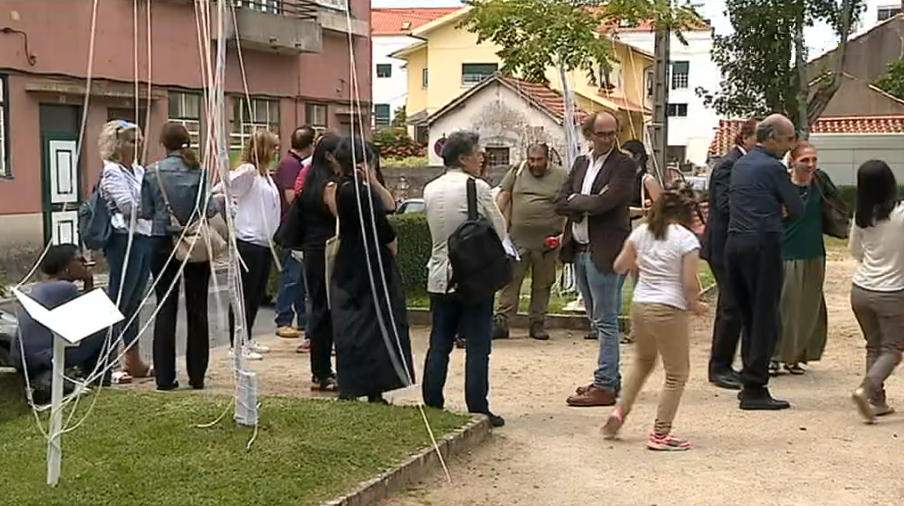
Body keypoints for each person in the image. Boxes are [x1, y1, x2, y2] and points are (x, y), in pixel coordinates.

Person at [601, 186, 707, 450]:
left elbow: (619, 266)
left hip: (641, 304)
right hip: (668, 307)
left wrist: (641, 264)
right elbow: (689, 282)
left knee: (643, 362)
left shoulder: (642, 232)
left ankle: (620, 411)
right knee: (677, 373)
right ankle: (660, 433)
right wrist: (695, 304)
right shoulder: (686, 239)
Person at [422, 131, 507, 428]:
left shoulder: (430, 188)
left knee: (439, 341)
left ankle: (433, 401)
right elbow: (500, 229)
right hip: (472, 276)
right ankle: (477, 406)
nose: (481, 157)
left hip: (439, 273)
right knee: (478, 345)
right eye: (477, 153)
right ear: (462, 157)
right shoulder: (477, 187)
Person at [556, 111, 636, 408]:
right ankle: (610, 378)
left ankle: (604, 384)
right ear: (589, 134)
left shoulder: (624, 164)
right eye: (601, 134)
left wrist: (578, 201)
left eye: (612, 133)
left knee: (606, 319)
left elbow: (606, 203)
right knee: (595, 317)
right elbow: (560, 201)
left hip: (606, 250)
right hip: (579, 247)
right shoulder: (581, 163)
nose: (608, 139)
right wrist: (582, 203)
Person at [724, 114, 802, 410]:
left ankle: (749, 379)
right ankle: (756, 386)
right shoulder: (773, 167)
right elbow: (796, 208)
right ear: (771, 138)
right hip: (762, 244)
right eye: (788, 139)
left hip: (735, 243)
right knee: (765, 317)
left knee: (748, 316)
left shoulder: (741, 164)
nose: (790, 146)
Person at [330, 137, 414, 403]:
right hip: (369, 262)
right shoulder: (357, 192)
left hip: (350, 262)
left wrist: (373, 182)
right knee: (373, 325)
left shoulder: (346, 188)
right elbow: (381, 222)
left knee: (357, 324)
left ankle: (358, 386)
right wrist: (391, 241)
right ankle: (370, 386)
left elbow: (389, 205)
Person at [141, 122, 221, 391]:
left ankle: (165, 377)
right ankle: (197, 374)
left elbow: (145, 211)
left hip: (162, 240)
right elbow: (210, 209)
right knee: (198, 307)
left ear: (163, 143)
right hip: (195, 240)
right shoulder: (199, 171)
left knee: (165, 306)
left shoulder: (152, 172)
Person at [12, 244, 108, 404]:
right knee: (108, 326)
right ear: (66, 266)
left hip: (25, 357)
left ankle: (82, 376)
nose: (86, 264)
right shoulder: (65, 288)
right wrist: (88, 280)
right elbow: (93, 316)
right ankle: (98, 380)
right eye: (80, 260)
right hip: (44, 358)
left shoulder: (42, 286)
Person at [701, 118, 757, 390]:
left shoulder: (745, 164)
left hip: (737, 244)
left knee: (737, 304)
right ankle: (719, 367)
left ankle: (729, 363)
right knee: (731, 305)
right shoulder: (729, 165)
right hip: (722, 245)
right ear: (745, 137)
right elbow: (724, 205)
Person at [217, 129, 281, 361]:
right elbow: (224, 187)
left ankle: (248, 336)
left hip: (264, 242)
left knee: (255, 294)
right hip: (249, 241)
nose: (276, 152)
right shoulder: (249, 171)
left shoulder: (265, 175)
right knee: (244, 294)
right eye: (273, 147)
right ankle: (237, 343)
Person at [493, 143, 567, 341]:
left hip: (547, 242)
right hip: (517, 240)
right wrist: (496, 221)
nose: (534, 164)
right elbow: (504, 196)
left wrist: (564, 235)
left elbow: (568, 205)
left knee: (543, 284)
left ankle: (537, 323)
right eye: (531, 160)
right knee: (510, 281)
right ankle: (502, 322)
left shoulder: (562, 175)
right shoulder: (517, 171)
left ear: (547, 158)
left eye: (539, 160)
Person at [98, 120, 154, 380]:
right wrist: (151, 207)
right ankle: (105, 362)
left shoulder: (139, 170)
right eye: (132, 141)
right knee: (119, 300)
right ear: (118, 144)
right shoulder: (112, 172)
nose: (138, 145)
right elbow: (127, 205)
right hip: (123, 240)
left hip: (143, 236)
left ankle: (132, 359)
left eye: (139, 140)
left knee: (134, 302)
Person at [848, 160, 903, 423]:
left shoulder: (861, 216)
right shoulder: (901, 215)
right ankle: (866, 390)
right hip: (892, 292)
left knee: (874, 346)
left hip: (861, 288)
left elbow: (855, 251)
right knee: (893, 349)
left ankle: (877, 402)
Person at [772, 141, 830, 375]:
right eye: (805, 160)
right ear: (792, 161)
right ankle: (775, 355)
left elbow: (834, 205)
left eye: (814, 159)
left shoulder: (820, 181)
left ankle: (796, 355)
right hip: (788, 252)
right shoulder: (782, 184)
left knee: (808, 307)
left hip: (814, 250)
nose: (810, 164)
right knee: (785, 307)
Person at [298, 134, 343, 392]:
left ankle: (320, 370)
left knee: (319, 307)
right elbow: (340, 214)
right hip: (327, 248)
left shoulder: (310, 178)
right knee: (327, 309)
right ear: (329, 156)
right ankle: (323, 371)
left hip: (312, 248)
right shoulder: (329, 184)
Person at [273, 126, 316, 340]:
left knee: (300, 278)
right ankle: (284, 319)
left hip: (296, 228)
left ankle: (302, 319)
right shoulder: (291, 165)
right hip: (292, 229)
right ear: (309, 145)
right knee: (291, 276)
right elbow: (292, 197)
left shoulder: (294, 164)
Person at [618, 139, 662, 345]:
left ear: (636, 157)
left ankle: (639, 329)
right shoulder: (620, 178)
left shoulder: (646, 180)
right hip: (620, 230)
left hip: (639, 229)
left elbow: (661, 208)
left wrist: (641, 211)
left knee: (640, 282)